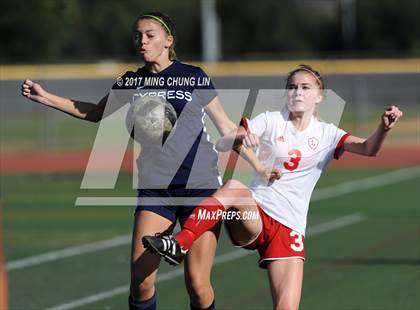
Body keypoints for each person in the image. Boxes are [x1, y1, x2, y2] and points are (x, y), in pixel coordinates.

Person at [21, 12, 239, 310]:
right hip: (156, 189)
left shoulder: (193, 76)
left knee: (198, 286)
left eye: (150, 35)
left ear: (168, 40)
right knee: (141, 280)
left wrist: (258, 156)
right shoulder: (130, 81)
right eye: (138, 35)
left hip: (199, 187)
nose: (142, 41)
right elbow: (96, 113)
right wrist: (46, 98)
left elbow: (226, 127)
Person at [142, 64, 403, 310]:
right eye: (292, 86)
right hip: (255, 215)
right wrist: (239, 135)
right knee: (233, 187)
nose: (298, 91)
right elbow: (223, 143)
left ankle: (181, 241)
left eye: (305, 87)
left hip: (289, 227)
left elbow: (369, 149)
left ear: (319, 96)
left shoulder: (328, 133)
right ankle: (180, 242)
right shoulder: (271, 120)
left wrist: (384, 127)